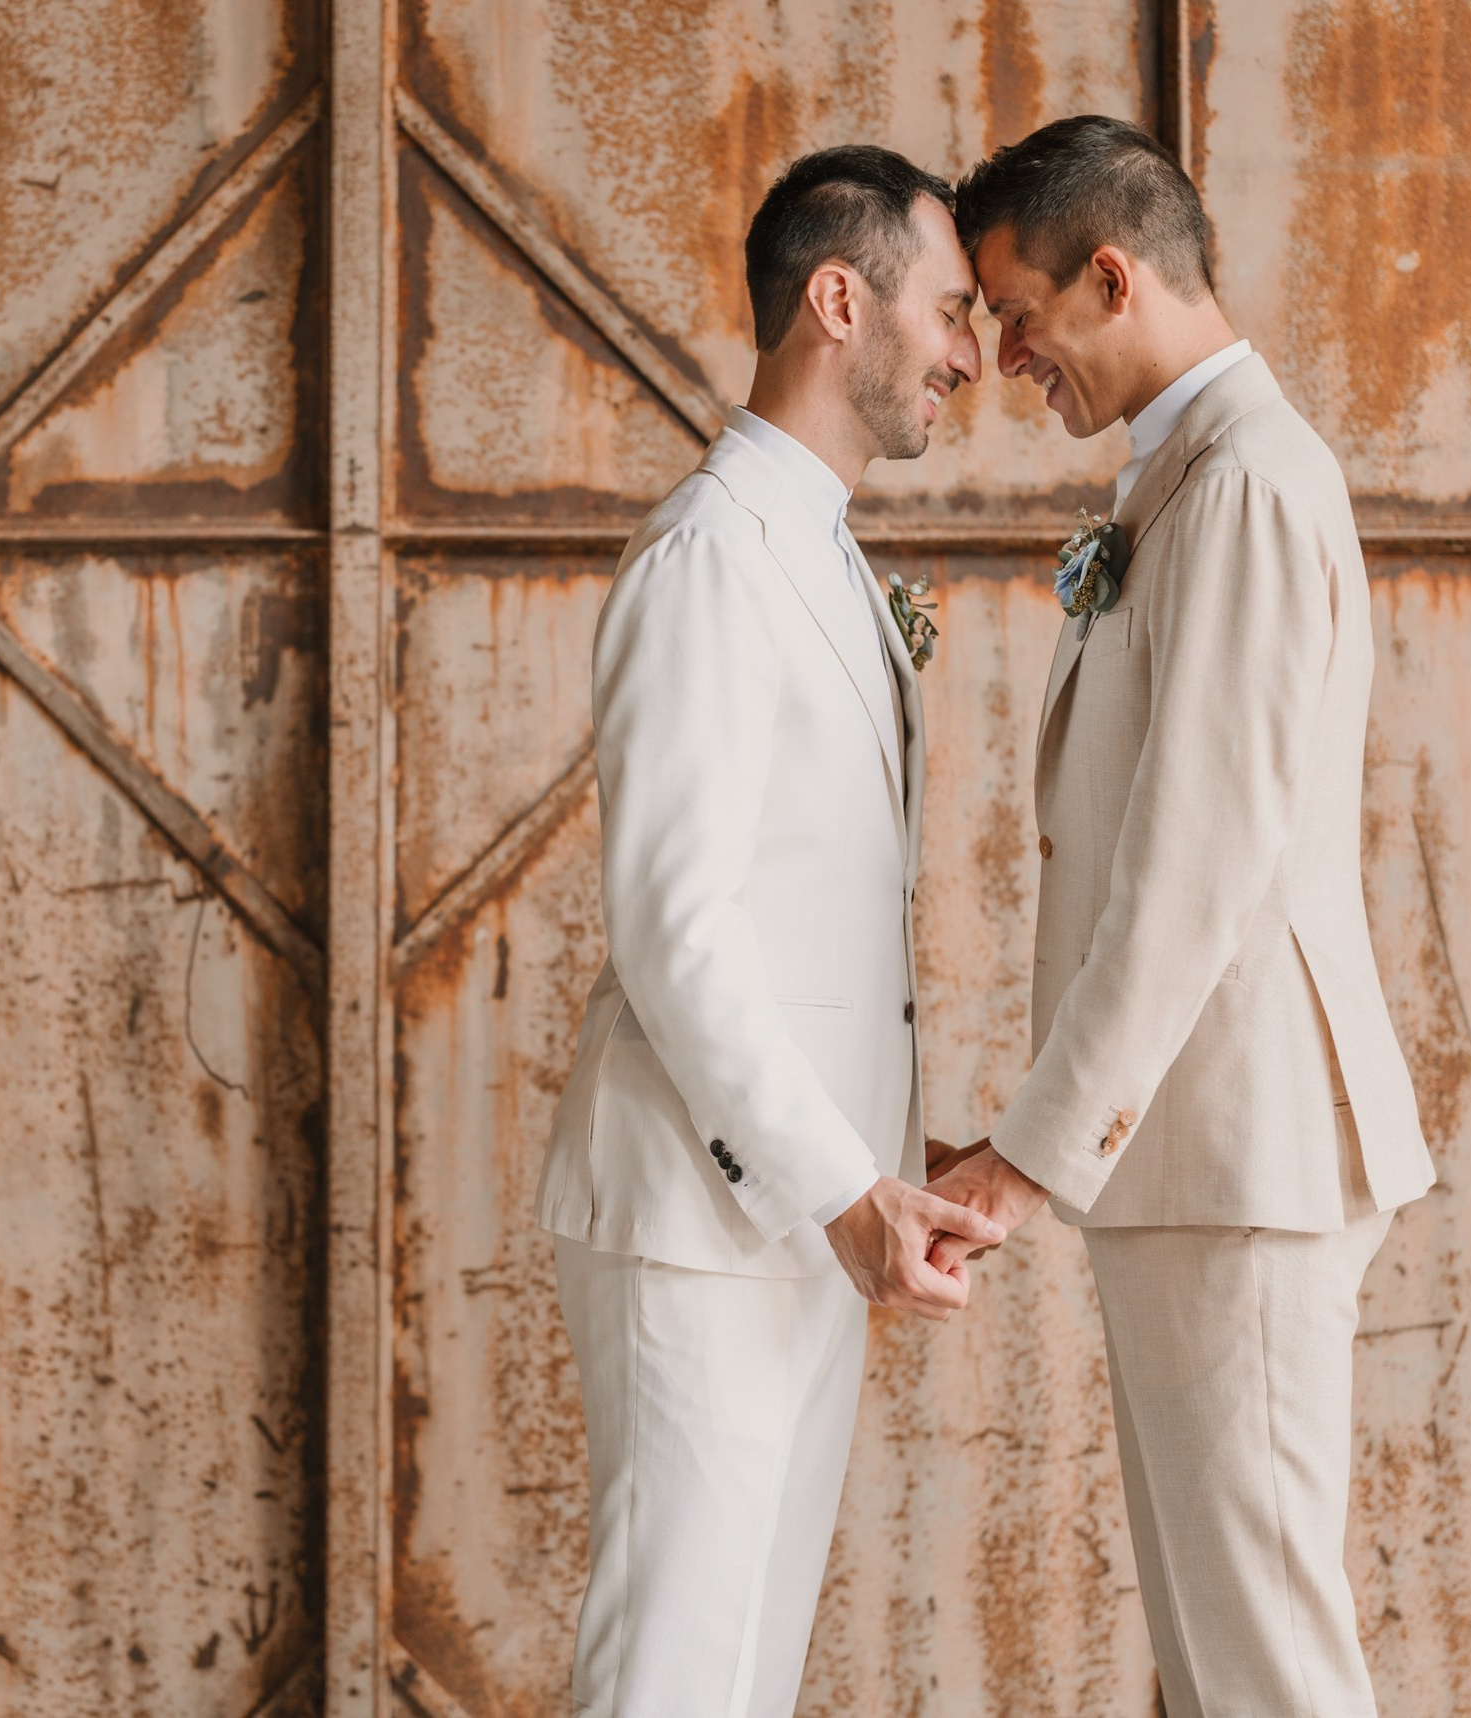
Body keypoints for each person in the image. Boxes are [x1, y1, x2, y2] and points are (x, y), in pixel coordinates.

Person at [928, 115, 1436, 1717]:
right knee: (1221, 1660)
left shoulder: (1244, 484)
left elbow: (1192, 859)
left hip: (1244, 1144)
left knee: (1267, 1663)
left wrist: (1026, 1149)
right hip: (1195, 1156)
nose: (1005, 357)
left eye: (1015, 314)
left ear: (1111, 274)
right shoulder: (1189, 473)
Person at [530, 145, 1001, 1718]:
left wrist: (879, 1162)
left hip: (809, 1204)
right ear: (835, 298)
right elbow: (677, 928)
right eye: (945, 312)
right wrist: (832, 1184)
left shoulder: (826, 558)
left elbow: (818, 911)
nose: (966, 354)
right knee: (674, 1670)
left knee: (740, 1673)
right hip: (703, 1212)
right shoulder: (705, 556)